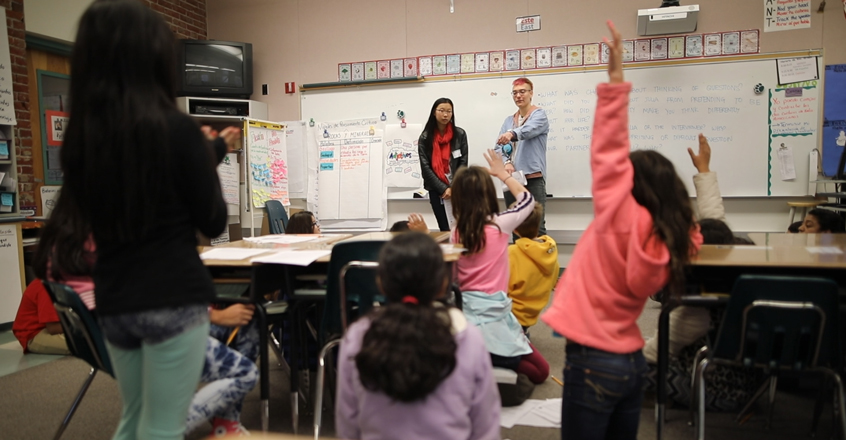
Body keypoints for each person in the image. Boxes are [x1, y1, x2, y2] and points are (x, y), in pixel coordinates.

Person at [58, 1, 241, 438]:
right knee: (162, 427)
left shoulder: (82, 140)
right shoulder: (177, 130)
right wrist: (209, 152)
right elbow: (212, 220)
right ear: (155, 58)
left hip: (116, 300)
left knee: (135, 419)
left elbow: (147, 180)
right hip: (173, 297)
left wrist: (206, 152)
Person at [541, 22, 702, 440]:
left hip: (593, 361)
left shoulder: (619, 215)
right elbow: (693, 230)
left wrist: (615, 83)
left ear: (631, 185)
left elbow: (608, 150)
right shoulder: (673, 236)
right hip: (633, 360)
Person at [335, 232, 500, 440]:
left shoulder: (357, 336)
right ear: (443, 283)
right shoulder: (469, 337)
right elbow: (485, 425)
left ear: (381, 283)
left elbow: (347, 423)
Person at [450, 151, 546, 382]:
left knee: (531, 368)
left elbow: (453, 275)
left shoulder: (456, 231)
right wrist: (503, 175)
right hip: (493, 315)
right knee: (539, 372)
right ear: (488, 196)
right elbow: (527, 200)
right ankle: (490, 361)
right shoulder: (500, 224)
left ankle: (478, 361)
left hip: (467, 313)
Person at [495, 77, 550, 235]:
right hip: (511, 179)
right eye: (515, 93)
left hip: (533, 177)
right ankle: (519, 259)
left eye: (522, 92)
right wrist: (506, 162)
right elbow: (498, 146)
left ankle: (539, 260)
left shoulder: (539, 115)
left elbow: (528, 131)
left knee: (536, 226)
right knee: (515, 226)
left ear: (531, 93)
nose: (518, 96)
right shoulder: (508, 121)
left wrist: (511, 134)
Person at [417, 98, 469, 231]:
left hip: (458, 189)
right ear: (434, 112)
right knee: (445, 228)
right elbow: (425, 168)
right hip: (437, 190)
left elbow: (463, 164)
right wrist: (443, 188)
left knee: (461, 227)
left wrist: (452, 187)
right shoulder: (425, 137)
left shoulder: (460, 134)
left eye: (449, 111)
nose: (445, 115)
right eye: (441, 111)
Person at [507, 201, 559, 333]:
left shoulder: (512, 253)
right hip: (533, 312)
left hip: (512, 314)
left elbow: (501, 287)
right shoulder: (550, 250)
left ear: (514, 228)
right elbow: (553, 281)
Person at [12, 279, 71, 355]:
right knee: (84, 345)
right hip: (33, 334)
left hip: (51, 326)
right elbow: (53, 328)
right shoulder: (47, 287)